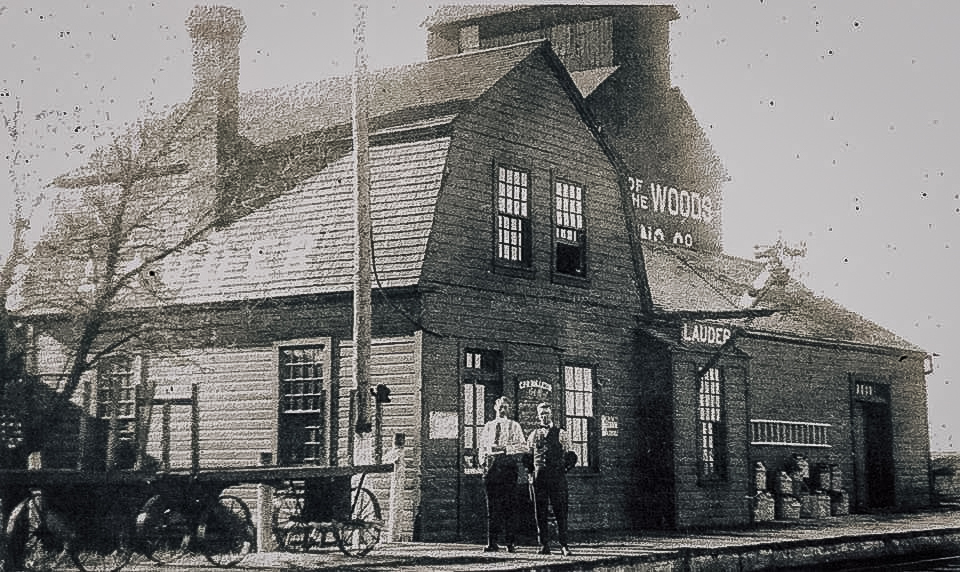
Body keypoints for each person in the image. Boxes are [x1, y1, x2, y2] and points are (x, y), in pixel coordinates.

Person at [526, 402, 576, 556]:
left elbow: (571, 456)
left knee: (560, 510)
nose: (544, 416)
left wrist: (563, 470)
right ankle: (544, 545)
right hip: (539, 479)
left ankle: (564, 545)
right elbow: (528, 457)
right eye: (541, 414)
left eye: (546, 413)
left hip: (557, 479)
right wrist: (530, 474)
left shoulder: (562, 433)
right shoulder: (533, 434)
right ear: (538, 415)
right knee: (539, 511)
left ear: (551, 413)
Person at [478, 396, 526, 553]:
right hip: (491, 468)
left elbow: (523, 447)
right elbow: (482, 446)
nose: (502, 409)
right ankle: (492, 542)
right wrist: (482, 461)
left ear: (509, 409)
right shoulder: (489, 426)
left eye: (505, 407)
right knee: (492, 507)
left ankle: (510, 543)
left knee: (509, 506)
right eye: (500, 406)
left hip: (507, 468)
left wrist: (506, 449)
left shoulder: (514, 426)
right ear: (494, 407)